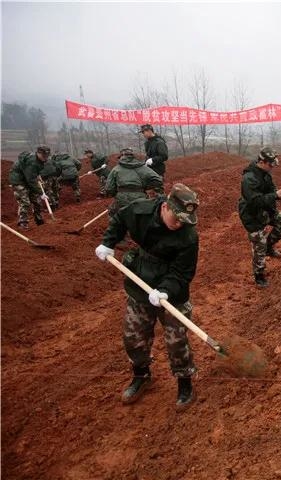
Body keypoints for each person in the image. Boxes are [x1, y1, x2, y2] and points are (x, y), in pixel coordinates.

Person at [94, 183, 200, 410]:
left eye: (185, 220)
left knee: (176, 340)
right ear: (165, 206)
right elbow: (120, 220)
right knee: (133, 336)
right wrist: (108, 243)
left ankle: (184, 383)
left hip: (172, 289)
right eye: (177, 218)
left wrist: (165, 291)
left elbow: (183, 272)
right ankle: (141, 376)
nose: (180, 223)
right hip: (140, 278)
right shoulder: (139, 210)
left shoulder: (188, 236)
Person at [238, 147, 281, 288]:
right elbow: (255, 201)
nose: (272, 167)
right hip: (252, 215)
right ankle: (259, 276)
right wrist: (275, 195)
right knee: (259, 245)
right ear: (262, 162)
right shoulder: (249, 179)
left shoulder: (265, 174)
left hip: (265, 209)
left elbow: (271, 190)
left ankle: (269, 246)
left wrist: (277, 197)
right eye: (271, 164)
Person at [106, 148, 164, 215]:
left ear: (121, 157)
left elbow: (109, 188)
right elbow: (158, 180)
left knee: (113, 215)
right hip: (140, 198)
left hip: (122, 200)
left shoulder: (116, 169)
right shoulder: (143, 168)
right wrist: (146, 188)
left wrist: (117, 194)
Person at [9, 146, 50, 228]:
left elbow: (34, 173)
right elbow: (31, 180)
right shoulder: (32, 162)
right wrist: (41, 193)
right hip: (18, 181)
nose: (45, 158)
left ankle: (38, 219)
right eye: (43, 156)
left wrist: (38, 175)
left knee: (36, 200)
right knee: (25, 201)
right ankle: (23, 222)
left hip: (27, 179)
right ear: (38, 153)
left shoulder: (39, 160)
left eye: (47, 156)